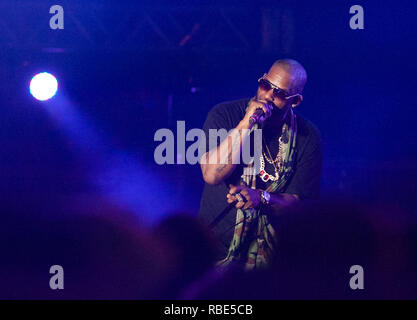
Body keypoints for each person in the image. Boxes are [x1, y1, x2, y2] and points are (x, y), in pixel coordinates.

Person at [198, 59, 322, 269]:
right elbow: (211, 175)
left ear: (296, 101)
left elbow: (298, 204)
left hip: (269, 260)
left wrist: (261, 198)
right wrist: (246, 122)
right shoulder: (225, 115)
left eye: (280, 93)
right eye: (265, 85)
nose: (268, 96)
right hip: (215, 252)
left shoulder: (307, 136)